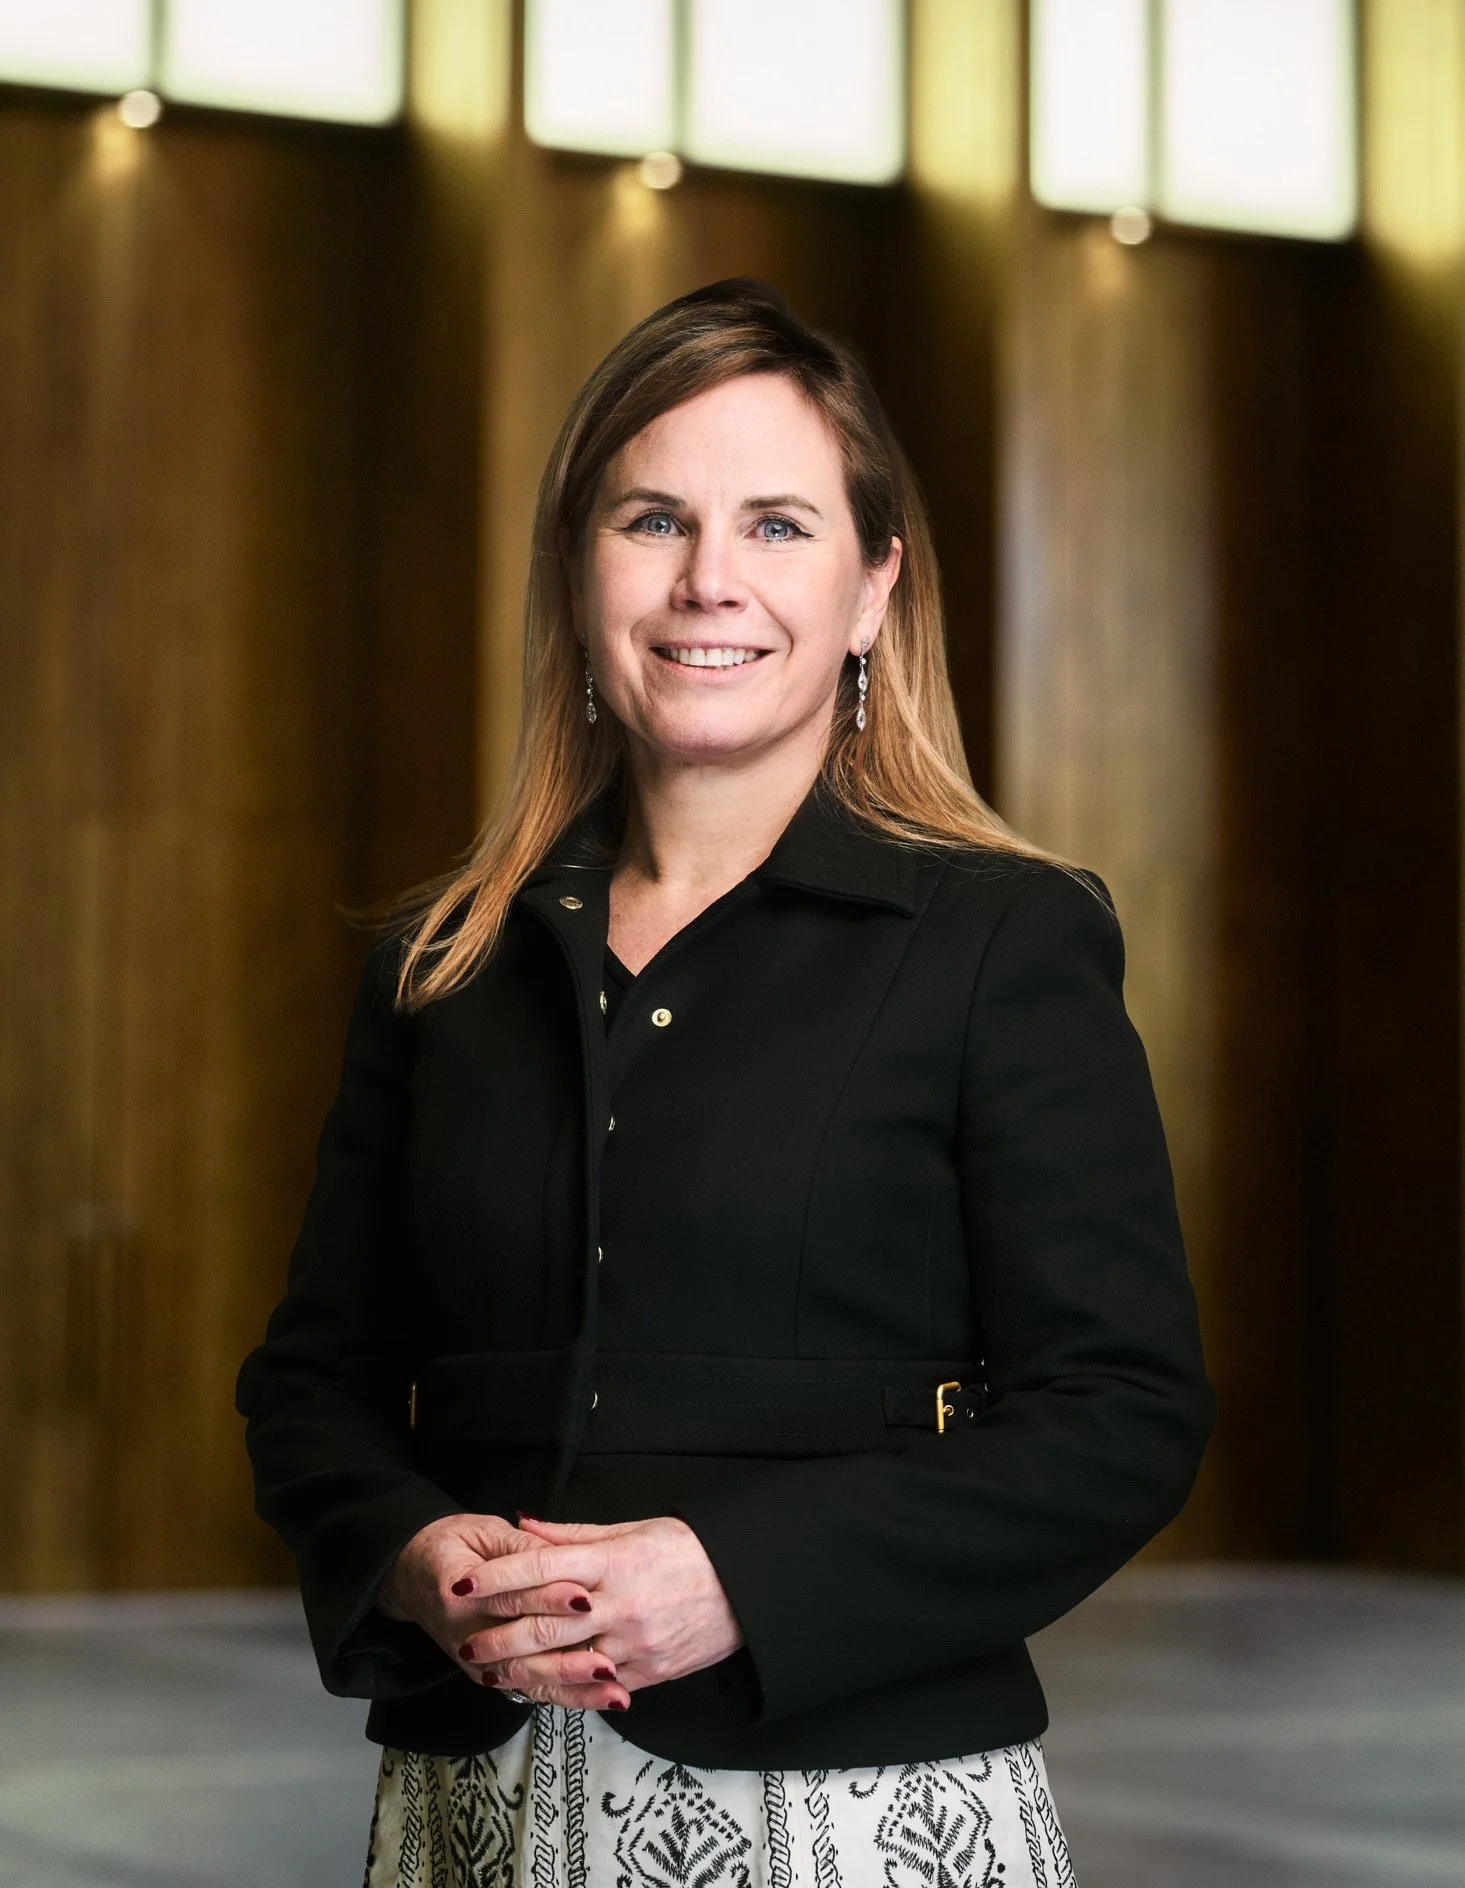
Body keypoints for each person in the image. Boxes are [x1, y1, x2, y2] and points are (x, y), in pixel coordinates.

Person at [237, 279, 1213, 1886]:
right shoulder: (443, 964)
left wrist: (734, 1576)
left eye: (776, 526)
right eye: (651, 520)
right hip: (478, 1822)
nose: (708, 581)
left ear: (873, 587)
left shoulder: (1003, 942)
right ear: (575, 570)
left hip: (850, 1824)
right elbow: (311, 1386)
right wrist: (410, 1556)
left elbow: (1120, 1415)